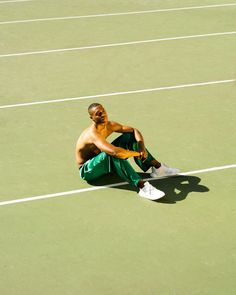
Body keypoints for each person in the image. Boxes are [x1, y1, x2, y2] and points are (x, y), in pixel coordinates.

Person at [75, 103, 180, 200]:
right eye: (98, 114)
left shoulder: (110, 125)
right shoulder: (92, 134)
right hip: (88, 171)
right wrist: (138, 154)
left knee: (129, 136)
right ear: (92, 118)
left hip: (102, 162)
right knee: (112, 154)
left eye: (103, 111)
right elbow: (115, 152)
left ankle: (158, 168)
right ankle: (142, 187)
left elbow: (134, 130)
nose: (103, 115)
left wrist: (142, 148)